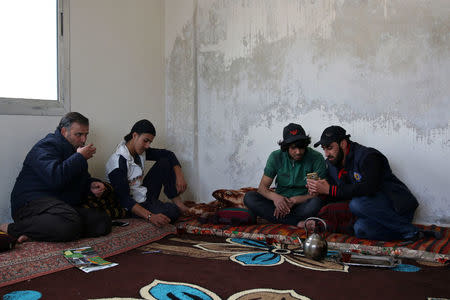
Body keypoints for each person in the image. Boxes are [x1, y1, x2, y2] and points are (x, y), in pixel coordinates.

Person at [0, 112, 111, 243]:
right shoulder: (46, 146)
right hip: (31, 203)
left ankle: (39, 233)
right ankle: (12, 228)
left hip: (58, 206)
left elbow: (80, 180)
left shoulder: (75, 150)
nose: (83, 140)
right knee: (70, 222)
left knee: (102, 221)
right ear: (64, 131)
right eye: (79, 134)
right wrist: (79, 158)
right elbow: (56, 178)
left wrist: (91, 185)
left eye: (86, 134)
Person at [307, 125, 420, 241]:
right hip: (371, 213)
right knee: (360, 229)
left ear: (343, 144)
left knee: (357, 204)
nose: (326, 153)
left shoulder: (369, 156)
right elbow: (336, 192)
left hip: (396, 208)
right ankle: (412, 234)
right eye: (324, 148)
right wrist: (319, 190)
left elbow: (369, 188)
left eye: (330, 148)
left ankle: (409, 229)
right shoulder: (332, 163)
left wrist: (330, 189)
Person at [105, 119, 188, 227]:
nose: (147, 145)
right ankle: (160, 209)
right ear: (134, 136)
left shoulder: (140, 151)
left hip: (142, 194)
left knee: (164, 162)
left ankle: (179, 204)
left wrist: (179, 176)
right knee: (172, 212)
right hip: (130, 205)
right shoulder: (117, 163)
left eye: (150, 142)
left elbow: (168, 154)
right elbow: (124, 199)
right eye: (145, 140)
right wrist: (150, 216)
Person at [243, 123, 327, 227]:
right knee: (249, 197)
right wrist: (276, 198)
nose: (298, 152)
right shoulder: (276, 157)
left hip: (302, 204)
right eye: (293, 148)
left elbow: (315, 193)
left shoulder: (315, 158)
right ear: (286, 147)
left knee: (316, 202)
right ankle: (298, 222)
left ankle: (283, 219)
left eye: (301, 147)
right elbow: (262, 188)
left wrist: (295, 200)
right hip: (278, 204)